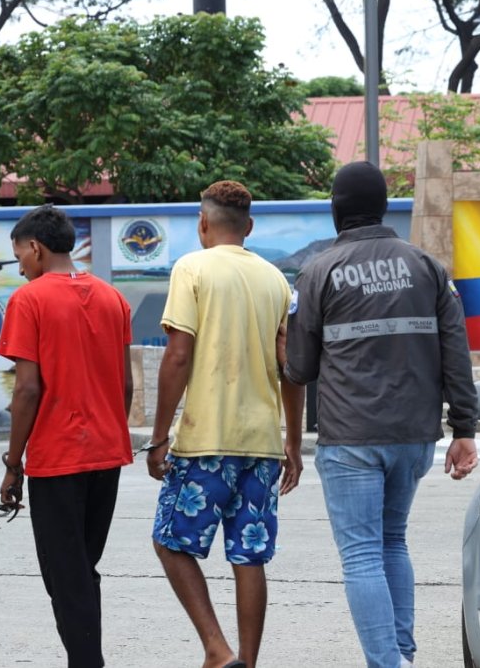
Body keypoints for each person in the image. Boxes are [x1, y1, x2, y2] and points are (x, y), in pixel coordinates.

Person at [283, 162, 479, 668]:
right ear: (383, 205)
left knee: (363, 553)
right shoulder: (428, 267)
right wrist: (463, 428)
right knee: (392, 541)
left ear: (336, 211)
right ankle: (402, 656)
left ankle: (389, 663)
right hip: (414, 435)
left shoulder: (319, 272)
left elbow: (300, 369)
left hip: (350, 438)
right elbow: (456, 349)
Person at [145, 180, 304, 668]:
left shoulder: (191, 268)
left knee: (169, 541)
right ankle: (247, 663)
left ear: (203, 224)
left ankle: (217, 649)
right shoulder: (276, 281)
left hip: (205, 440)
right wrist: (292, 444)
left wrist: (158, 437)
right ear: (249, 227)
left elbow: (177, 357)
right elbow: (290, 368)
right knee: (249, 555)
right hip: (261, 445)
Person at [0, 204, 133, 668]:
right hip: (107, 456)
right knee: (80, 570)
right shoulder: (113, 298)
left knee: (65, 574)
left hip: (57, 459)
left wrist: (14, 465)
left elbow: (28, 388)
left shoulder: (29, 300)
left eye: (19, 257)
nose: (20, 268)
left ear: (35, 247)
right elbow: (126, 383)